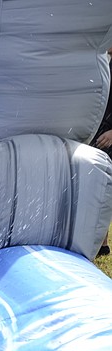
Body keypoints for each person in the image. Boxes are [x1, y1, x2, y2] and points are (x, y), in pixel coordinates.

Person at [92, 46, 112, 257]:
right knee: (97, 186)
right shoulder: (102, 62)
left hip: (109, 135)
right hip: (97, 132)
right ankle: (100, 242)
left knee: (105, 188)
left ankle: (102, 243)